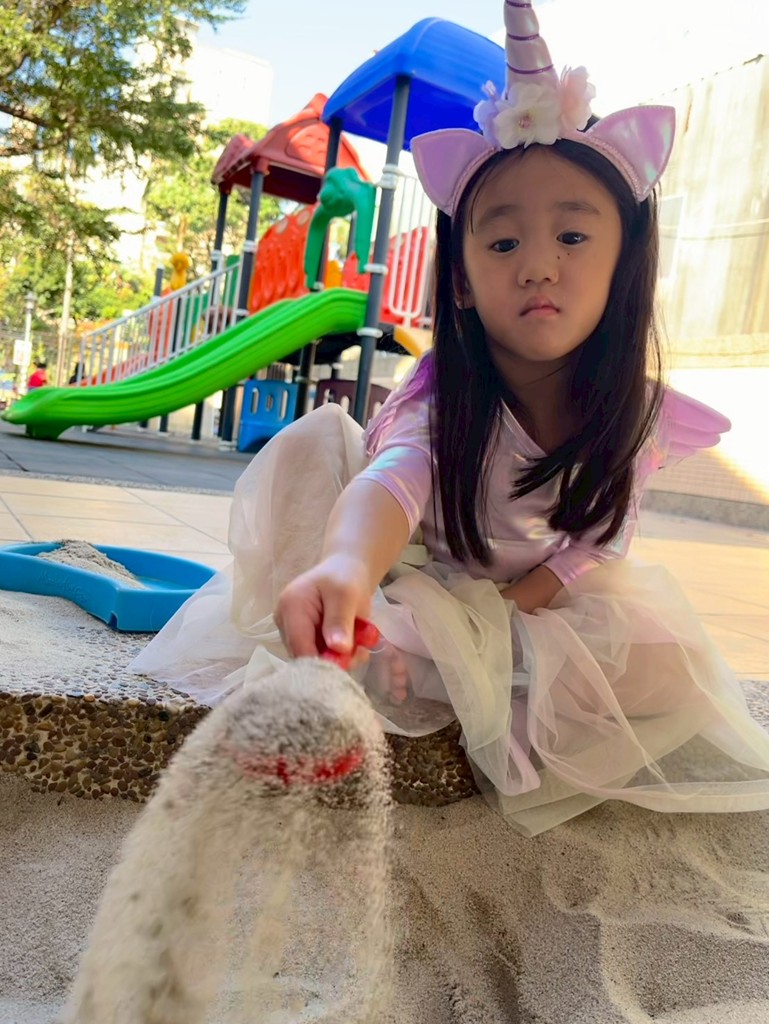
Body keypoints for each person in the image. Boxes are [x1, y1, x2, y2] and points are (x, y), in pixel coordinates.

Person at [132, 1, 769, 836]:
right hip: (404, 568)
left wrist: (505, 618)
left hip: (521, 598)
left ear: (624, 263)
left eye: (573, 237)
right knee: (312, 454)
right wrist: (348, 570)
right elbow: (392, 481)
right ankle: (362, 642)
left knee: (665, 667)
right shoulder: (443, 402)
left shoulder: (630, 418)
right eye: (502, 244)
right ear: (461, 281)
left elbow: (599, 540)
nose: (537, 264)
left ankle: (430, 669)